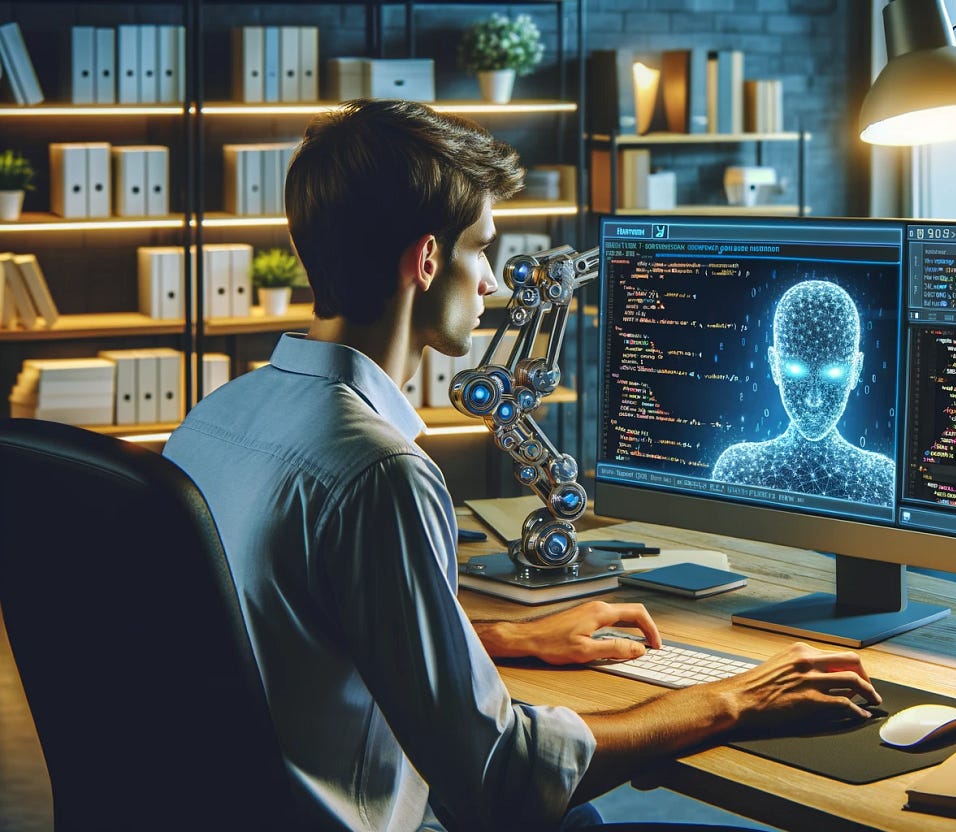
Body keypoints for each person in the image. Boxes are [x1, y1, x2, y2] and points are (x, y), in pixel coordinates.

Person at [163, 99, 879, 831]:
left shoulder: (213, 420)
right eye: (481, 250)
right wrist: (732, 698)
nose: (494, 286)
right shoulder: (379, 472)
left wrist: (501, 639)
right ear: (428, 260)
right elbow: (499, 778)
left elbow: (299, 630)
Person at [712, 280, 895, 506]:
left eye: (834, 373)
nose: (814, 399)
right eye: (796, 371)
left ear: (856, 370)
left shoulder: (882, 479)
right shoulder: (737, 468)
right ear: (774, 366)